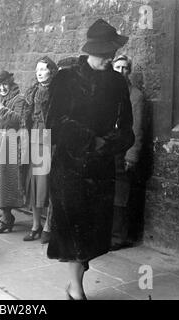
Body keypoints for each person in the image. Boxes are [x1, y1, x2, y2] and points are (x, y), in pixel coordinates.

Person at [46, 19, 134, 300]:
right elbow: (55, 121)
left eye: (111, 55)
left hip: (100, 170)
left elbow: (128, 128)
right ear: (91, 51)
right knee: (74, 231)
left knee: (90, 234)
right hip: (69, 168)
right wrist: (90, 140)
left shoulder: (118, 82)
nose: (109, 60)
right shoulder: (66, 78)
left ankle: (75, 284)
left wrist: (111, 144)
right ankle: (76, 289)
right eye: (104, 55)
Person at [111, 55, 147, 251]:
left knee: (121, 198)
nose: (121, 71)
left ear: (129, 71)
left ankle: (119, 237)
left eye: (125, 68)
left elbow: (137, 129)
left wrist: (131, 157)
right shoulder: (108, 93)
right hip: (109, 152)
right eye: (117, 67)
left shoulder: (136, 96)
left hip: (123, 154)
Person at [0, 71, 28, 234]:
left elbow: (17, 120)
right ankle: (5, 216)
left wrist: (1, 108)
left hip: (12, 144)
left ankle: (7, 218)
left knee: (7, 183)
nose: (2, 88)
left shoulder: (19, 99)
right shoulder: (2, 100)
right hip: (1, 143)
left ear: (10, 84)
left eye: (5, 84)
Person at [24, 56, 58, 242]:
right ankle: (35, 224)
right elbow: (26, 118)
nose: (39, 72)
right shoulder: (31, 92)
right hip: (34, 137)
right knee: (34, 183)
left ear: (51, 71)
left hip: (49, 138)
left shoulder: (57, 93)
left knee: (48, 182)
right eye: (37, 69)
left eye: (43, 69)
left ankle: (48, 226)